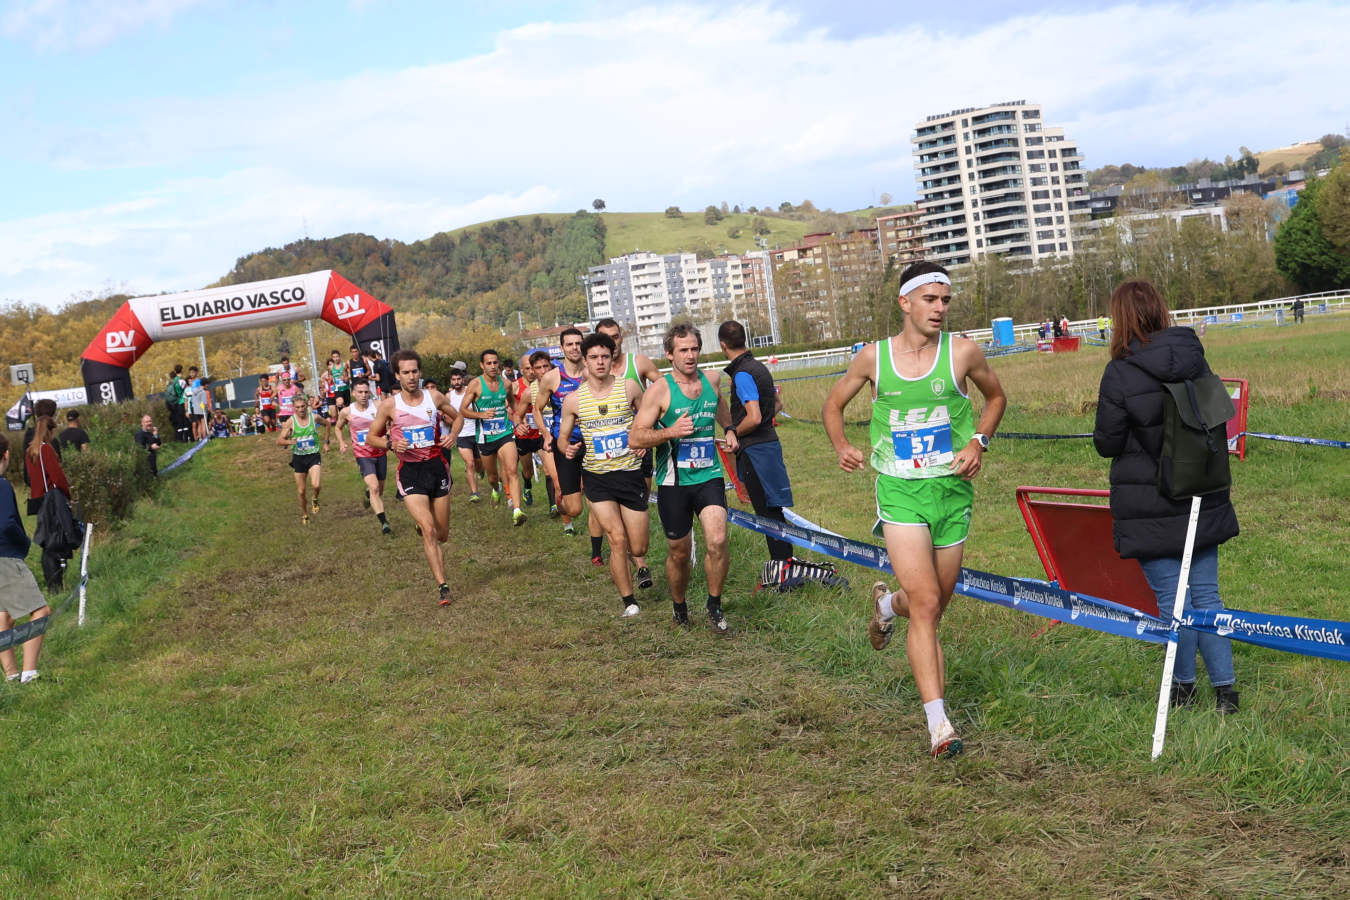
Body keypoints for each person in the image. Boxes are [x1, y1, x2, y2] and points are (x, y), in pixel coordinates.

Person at [823, 260, 1007, 759]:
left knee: (931, 605)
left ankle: (886, 606)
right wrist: (841, 445)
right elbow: (832, 405)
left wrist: (978, 440)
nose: (940, 309)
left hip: (951, 492)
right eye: (930, 299)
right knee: (926, 603)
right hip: (900, 491)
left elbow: (995, 397)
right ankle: (939, 726)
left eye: (945, 300)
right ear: (904, 302)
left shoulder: (963, 353)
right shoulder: (873, 359)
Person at [1093, 279, 1241, 715]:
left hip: (1150, 503)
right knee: (1207, 599)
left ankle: (1183, 687)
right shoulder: (1196, 358)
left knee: (1173, 603)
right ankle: (1227, 695)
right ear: (1160, 310)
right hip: (1202, 493)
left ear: (1119, 320)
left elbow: (1108, 442)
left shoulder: (1119, 371)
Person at [630, 324, 732, 633]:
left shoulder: (712, 380)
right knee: (679, 552)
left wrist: (729, 429)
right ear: (670, 354)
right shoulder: (660, 390)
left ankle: (714, 606)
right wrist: (671, 431)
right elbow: (636, 437)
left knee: (717, 540)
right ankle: (679, 607)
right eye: (683, 350)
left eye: (694, 349)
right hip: (674, 482)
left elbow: (720, 407)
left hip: (709, 476)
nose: (690, 355)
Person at [556, 332, 652, 618]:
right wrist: (567, 449)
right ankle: (628, 601)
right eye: (594, 357)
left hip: (629, 474)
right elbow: (562, 438)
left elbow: (649, 420)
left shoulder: (631, 388)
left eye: (605, 357)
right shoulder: (574, 400)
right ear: (585, 361)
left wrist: (643, 443)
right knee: (617, 539)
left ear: (613, 359)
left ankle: (637, 567)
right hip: (597, 478)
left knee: (639, 545)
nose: (600, 362)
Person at [366, 349, 459, 607]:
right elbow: (371, 437)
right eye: (405, 372)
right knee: (429, 531)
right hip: (410, 473)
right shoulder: (390, 405)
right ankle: (443, 587)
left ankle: (423, 525)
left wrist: (452, 435)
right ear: (397, 375)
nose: (411, 376)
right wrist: (390, 443)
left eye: (415, 371)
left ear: (420, 372)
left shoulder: (434, 397)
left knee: (442, 534)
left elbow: (458, 417)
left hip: (437, 469)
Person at [718, 319, 797, 579]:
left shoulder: (741, 374)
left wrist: (732, 432)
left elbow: (752, 417)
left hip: (755, 452)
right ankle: (786, 565)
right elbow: (776, 404)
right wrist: (762, 421)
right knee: (774, 511)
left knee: (767, 514)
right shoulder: (760, 367)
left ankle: (782, 572)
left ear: (722, 345)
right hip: (770, 445)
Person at [0, 434, 50, 684]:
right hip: (6, 556)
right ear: (6, 455)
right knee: (41, 610)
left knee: (4, 616)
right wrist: (24, 542)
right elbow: (6, 523)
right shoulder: (2, 485)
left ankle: (11, 676)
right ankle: (30, 674)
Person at [458, 349, 528, 527]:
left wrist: (518, 419)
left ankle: (517, 510)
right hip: (485, 437)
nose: (492, 366)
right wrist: (480, 415)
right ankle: (496, 490)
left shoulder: (505, 384)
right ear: (482, 365)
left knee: (512, 469)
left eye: (495, 362)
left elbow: (512, 402)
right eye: (488, 363)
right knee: (492, 476)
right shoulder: (475, 384)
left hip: (504, 433)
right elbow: (463, 409)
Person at [534, 328, 588, 540]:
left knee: (596, 497)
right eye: (570, 344)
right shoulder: (551, 378)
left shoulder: (592, 372)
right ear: (562, 348)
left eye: (578, 343)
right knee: (575, 508)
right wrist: (546, 435)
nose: (575, 347)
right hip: (565, 445)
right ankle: (563, 507)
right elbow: (537, 409)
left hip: (593, 442)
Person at [335, 380, 392, 535]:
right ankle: (384, 523)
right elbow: (338, 428)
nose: (363, 395)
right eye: (359, 392)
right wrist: (341, 442)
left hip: (380, 453)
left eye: (366, 392)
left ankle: (369, 495)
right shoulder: (347, 412)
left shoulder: (379, 405)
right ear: (353, 393)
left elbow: (392, 421)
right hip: (363, 455)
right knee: (374, 487)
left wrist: (388, 434)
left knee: (379, 490)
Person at [25, 415, 74, 592]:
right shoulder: (46, 449)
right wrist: (68, 495)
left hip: (38, 500)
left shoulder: (30, 451)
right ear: (50, 431)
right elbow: (57, 476)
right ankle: (56, 584)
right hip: (51, 500)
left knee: (47, 542)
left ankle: (52, 584)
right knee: (57, 541)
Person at [276, 390, 332, 526]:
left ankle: (315, 498)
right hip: (299, 459)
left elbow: (328, 424)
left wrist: (326, 442)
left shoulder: (314, 417)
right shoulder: (291, 421)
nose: (300, 409)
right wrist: (290, 442)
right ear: (294, 408)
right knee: (301, 491)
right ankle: (305, 514)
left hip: (313, 456)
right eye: (297, 407)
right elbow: (279, 441)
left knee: (316, 485)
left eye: (303, 406)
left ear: (307, 405)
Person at [510, 359, 546, 508]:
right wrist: (517, 422)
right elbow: (508, 408)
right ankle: (527, 486)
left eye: (533, 368)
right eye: (527, 369)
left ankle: (554, 505)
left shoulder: (544, 384)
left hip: (541, 432)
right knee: (528, 470)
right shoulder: (515, 386)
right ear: (521, 370)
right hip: (523, 433)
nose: (531, 372)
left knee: (548, 468)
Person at [446, 364, 483, 502]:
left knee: (479, 464)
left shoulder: (470, 391)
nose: (456, 382)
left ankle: (482, 471)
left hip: (477, 431)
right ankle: (475, 493)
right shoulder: (448, 396)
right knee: (470, 463)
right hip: (462, 434)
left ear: (463, 379)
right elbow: (446, 414)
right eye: (454, 379)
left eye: (458, 379)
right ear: (451, 381)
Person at [165, 365, 190, 442]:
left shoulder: (172, 382)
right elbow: (186, 392)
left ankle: (179, 439)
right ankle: (186, 439)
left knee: (179, 421)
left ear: (175, 371)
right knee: (185, 421)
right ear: (182, 371)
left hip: (176, 403)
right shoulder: (182, 381)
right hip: (182, 402)